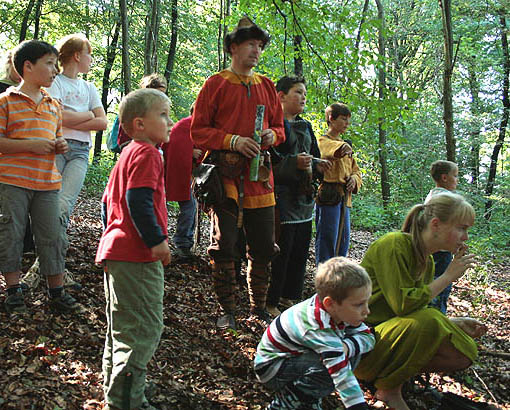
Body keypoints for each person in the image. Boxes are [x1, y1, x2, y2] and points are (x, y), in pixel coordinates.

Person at [191, 17, 285, 330]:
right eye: (250, 44)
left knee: (263, 246)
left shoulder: (267, 86)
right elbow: (198, 131)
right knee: (224, 244)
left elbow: (280, 128)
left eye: (260, 45)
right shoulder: (215, 84)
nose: (256, 50)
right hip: (225, 176)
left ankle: (258, 308)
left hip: (260, 177)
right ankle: (227, 310)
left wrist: (272, 134)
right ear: (233, 47)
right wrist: (232, 141)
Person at [354, 192, 487, 410]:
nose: (465, 237)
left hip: (385, 339)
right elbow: (403, 306)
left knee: (464, 353)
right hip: (359, 346)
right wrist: (447, 277)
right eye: (462, 228)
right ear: (436, 224)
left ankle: (391, 378)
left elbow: (414, 315)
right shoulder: (394, 244)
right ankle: (389, 388)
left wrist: (453, 323)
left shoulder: (428, 262)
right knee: (432, 319)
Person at [95, 88, 172, 410]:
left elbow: (106, 203)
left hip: (116, 252)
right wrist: (156, 241)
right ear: (139, 124)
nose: (170, 121)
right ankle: (126, 402)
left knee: (121, 329)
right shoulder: (148, 153)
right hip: (136, 255)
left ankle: (117, 391)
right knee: (142, 328)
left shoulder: (126, 154)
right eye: (163, 115)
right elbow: (137, 200)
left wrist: (112, 236)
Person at [21, 33, 107, 292]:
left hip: (80, 153)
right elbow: (56, 117)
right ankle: (52, 268)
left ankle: (42, 267)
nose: (91, 59)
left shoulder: (89, 88)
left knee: (62, 207)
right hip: (55, 149)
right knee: (49, 208)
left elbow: (103, 122)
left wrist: (72, 117)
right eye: (89, 54)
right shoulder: (55, 82)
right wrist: (87, 115)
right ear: (77, 55)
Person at [0, 39, 79, 313]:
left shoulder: (53, 105)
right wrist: (30, 145)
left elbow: (56, 137)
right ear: (28, 66)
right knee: (12, 232)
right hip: (12, 182)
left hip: (47, 183)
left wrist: (61, 145)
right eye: (49, 63)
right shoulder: (5, 102)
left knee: (52, 235)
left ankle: (56, 291)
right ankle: (13, 290)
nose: (55, 70)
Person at [254, 257, 375, 410]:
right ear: (330, 303)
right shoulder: (317, 325)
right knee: (331, 362)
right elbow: (340, 373)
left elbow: (368, 337)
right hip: (272, 368)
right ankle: (287, 401)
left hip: (296, 358)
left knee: (348, 352)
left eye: (366, 302)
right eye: (359, 305)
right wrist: (358, 406)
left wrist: (346, 347)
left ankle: (307, 396)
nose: (366, 311)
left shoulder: (337, 311)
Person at [266, 75, 331, 317]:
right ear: (281, 96)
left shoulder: (306, 126)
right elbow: (268, 163)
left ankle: (290, 296)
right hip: (280, 200)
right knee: (281, 251)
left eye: (304, 93)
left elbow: (313, 155)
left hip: (303, 199)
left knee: (299, 251)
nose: (303, 97)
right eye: (298, 92)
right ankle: (270, 300)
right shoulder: (271, 128)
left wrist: (318, 165)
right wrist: (294, 163)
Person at [315, 103, 361, 265]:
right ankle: (323, 274)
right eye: (343, 119)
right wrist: (342, 148)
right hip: (329, 196)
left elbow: (355, 170)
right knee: (327, 239)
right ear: (331, 119)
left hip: (344, 198)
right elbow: (327, 151)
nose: (347, 123)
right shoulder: (323, 141)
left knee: (343, 241)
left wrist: (354, 179)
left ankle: (337, 274)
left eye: (348, 119)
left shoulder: (345, 145)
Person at [162, 103, 202, 260]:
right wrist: (190, 152)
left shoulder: (197, 127)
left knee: (192, 207)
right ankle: (182, 243)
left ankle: (186, 243)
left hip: (190, 176)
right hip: (181, 175)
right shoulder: (185, 125)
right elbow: (174, 147)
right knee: (189, 207)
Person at [425, 160, 459, 313]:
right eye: (455, 176)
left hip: (432, 249)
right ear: (444, 178)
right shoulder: (447, 199)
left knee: (431, 282)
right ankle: (437, 317)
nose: (457, 180)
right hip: (442, 250)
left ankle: (430, 314)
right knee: (441, 285)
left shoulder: (432, 195)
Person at [117, 73, 168, 150]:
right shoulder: (134, 111)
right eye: (158, 94)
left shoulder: (157, 114)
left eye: (163, 94)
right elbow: (123, 142)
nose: (162, 97)